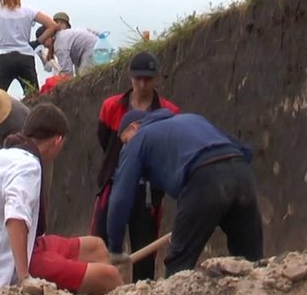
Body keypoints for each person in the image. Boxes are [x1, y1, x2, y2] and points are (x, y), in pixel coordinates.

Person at [0, 103, 122, 294]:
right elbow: (16, 217)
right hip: (3, 269)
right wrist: (24, 278)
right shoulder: (28, 166)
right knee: (109, 276)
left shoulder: (0, 159)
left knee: (96, 247)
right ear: (58, 140)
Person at [108, 109, 263, 276]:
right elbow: (244, 150)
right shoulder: (193, 119)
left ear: (134, 127)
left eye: (125, 140)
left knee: (179, 266)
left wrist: (115, 247)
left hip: (203, 178)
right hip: (242, 172)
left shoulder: (139, 137)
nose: (126, 146)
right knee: (251, 264)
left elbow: (120, 196)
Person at [89, 51, 179, 282]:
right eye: (137, 78)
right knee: (99, 245)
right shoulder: (111, 107)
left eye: (147, 79)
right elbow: (105, 141)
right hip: (114, 182)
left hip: (148, 191)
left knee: (144, 251)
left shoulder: (168, 112)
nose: (141, 84)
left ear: (156, 78)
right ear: (130, 77)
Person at [0, 0, 58, 92]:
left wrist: (0, 31)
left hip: (4, 57)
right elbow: (52, 25)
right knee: (33, 96)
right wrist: (38, 42)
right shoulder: (29, 10)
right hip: (25, 57)